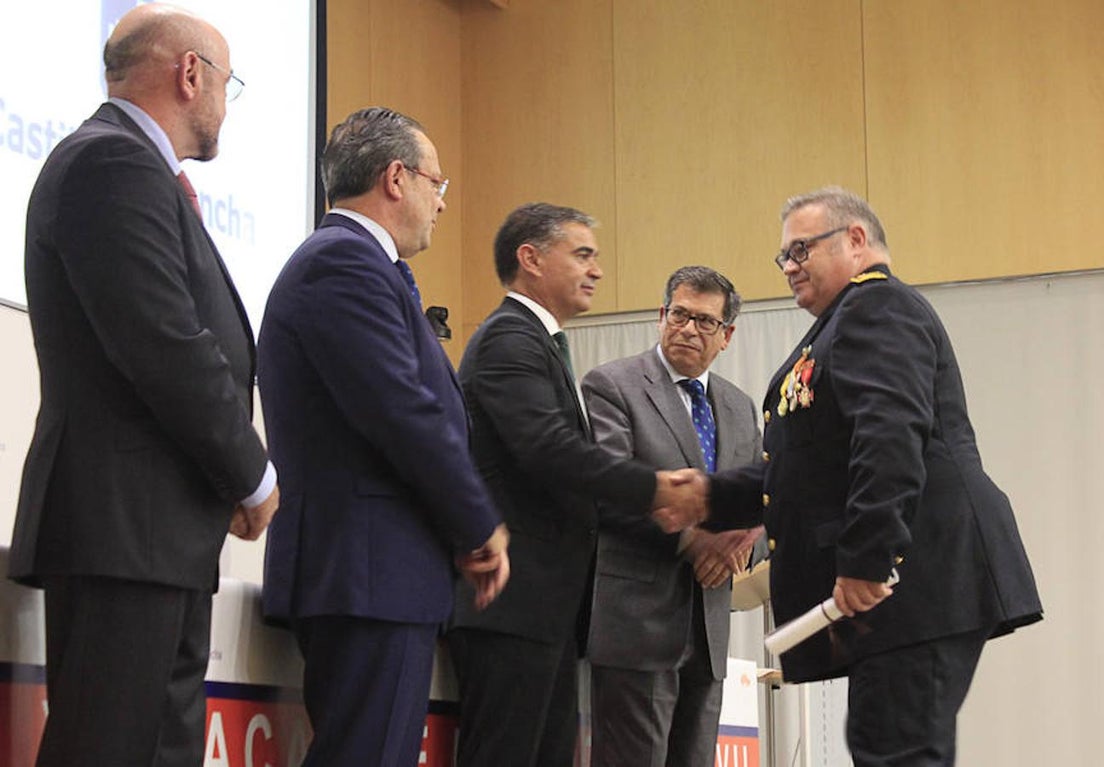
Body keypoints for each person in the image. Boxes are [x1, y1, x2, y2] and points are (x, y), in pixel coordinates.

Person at [659, 187, 1043, 766]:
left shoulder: (876, 308)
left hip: (914, 580)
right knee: (888, 747)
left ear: (856, 240)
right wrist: (709, 496)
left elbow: (889, 439)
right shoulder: (844, 322)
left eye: (800, 250)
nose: (789, 267)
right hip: (908, 586)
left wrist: (867, 560)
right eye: (783, 256)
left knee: (896, 752)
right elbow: (803, 468)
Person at [7, 5, 280, 766]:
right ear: (190, 74)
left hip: (154, 531)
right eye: (229, 82)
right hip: (122, 527)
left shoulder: (130, 167)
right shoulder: (111, 162)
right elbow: (163, 342)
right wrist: (251, 474)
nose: (228, 102)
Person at [258, 107, 509, 767]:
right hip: (366, 571)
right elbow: (403, 411)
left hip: (380, 569)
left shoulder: (363, 266)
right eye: (437, 183)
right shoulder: (342, 261)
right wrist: (478, 524)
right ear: (396, 178)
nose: (442, 203)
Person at [447, 203, 703, 767]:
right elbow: (551, 451)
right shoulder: (508, 340)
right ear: (531, 258)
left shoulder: (538, 344)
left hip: (547, 609)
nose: (598, 270)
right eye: (582, 254)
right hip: (512, 601)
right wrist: (656, 489)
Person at [581, 265, 764, 767]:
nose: (687, 328)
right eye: (679, 314)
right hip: (637, 629)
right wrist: (695, 543)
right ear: (661, 316)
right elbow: (610, 493)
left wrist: (741, 544)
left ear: (726, 336)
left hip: (708, 631)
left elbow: (761, 500)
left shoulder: (739, 407)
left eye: (705, 321)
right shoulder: (612, 386)